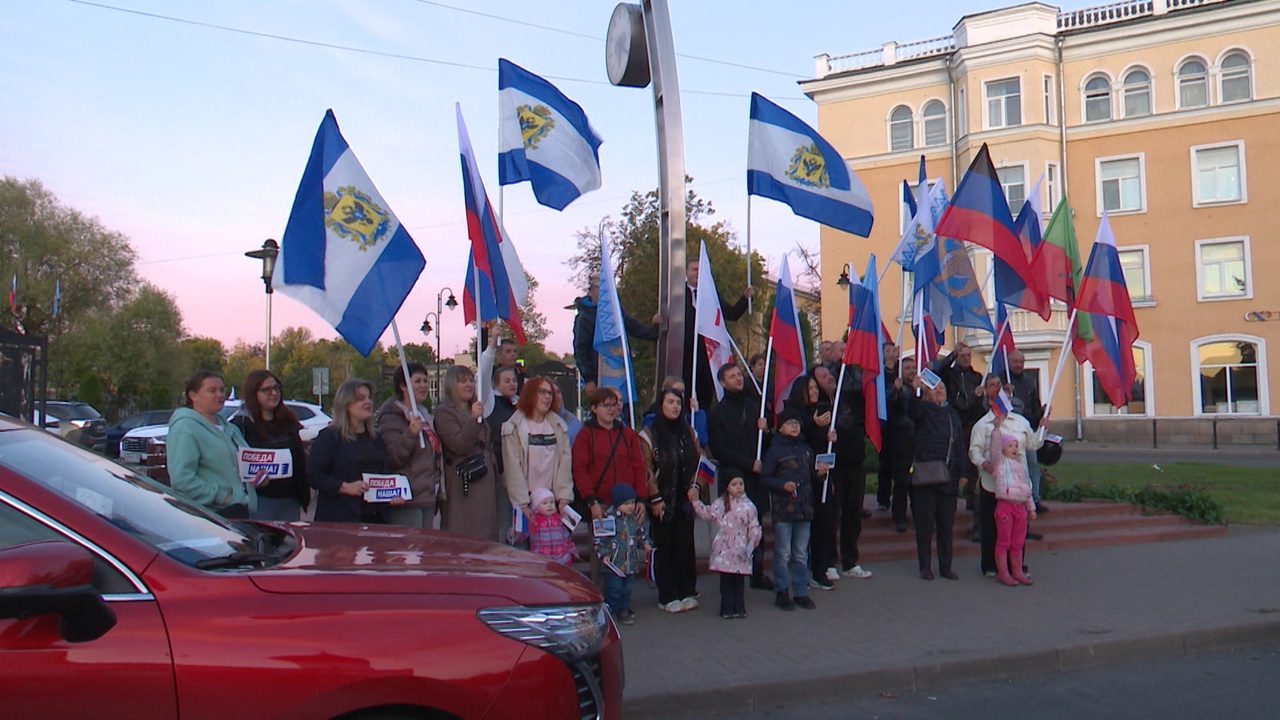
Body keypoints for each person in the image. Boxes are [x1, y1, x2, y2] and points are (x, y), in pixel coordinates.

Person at [969, 374, 1043, 578]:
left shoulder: (1019, 421)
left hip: (1017, 485)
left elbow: (1033, 444)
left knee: (1018, 528)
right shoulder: (983, 424)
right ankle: (992, 564)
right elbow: (974, 450)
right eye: (992, 386)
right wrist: (984, 464)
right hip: (993, 484)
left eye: (999, 385)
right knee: (993, 527)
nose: (997, 389)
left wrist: (1043, 426)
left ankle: (1016, 565)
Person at [707, 363, 772, 589]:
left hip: (756, 479)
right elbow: (719, 449)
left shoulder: (756, 407)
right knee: (733, 528)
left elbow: (767, 444)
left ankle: (757, 572)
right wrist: (748, 463)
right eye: (732, 376)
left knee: (755, 524)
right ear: (723, 383)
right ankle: (733, 574)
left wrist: (766, 430)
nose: (738, 379)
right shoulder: (717, 413)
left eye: (738, 375)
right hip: (734, 478)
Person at [640, 388, 702, 613]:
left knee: (685, 546)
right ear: (660, 405)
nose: (675, 406)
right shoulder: (649, 434)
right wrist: (654, 499)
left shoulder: (689, 432)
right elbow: (645, 470)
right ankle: (666, 595)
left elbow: (701, 463)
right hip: (662, 500)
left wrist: (697, 486)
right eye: (670, 402)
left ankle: (686, 591)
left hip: (685, 501)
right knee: (665, 546)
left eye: (678, 402)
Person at [762, 407, 826, 611]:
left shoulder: (806, 449)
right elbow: (765, 478)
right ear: (780, 428)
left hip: (804, 509)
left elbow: (812, 478)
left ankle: (800, 591)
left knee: (800, 553)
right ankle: (781, 591)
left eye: (797, 423)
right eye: (790, 423)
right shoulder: (774, 451)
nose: (795, 426)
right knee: (783, 553)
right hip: (784, 510)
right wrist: (782, 485)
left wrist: (821, 474)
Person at [168, 370, 252, 519]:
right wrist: (223, 497)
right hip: (211, 516)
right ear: (193, 396)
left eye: (221, 390)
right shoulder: (185, 428)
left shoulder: (229, 428)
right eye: (212, 391)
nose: (220, 395)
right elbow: (182, 479)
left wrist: (256, 478)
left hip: (241, 512)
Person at [231, 370, 309, 522]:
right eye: (267, 390)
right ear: (253, 393)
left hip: (290, 499)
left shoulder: (288, 421)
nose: (274, 393)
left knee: (289, 543)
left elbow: (298, 459)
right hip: (260, 501)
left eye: (276, 388)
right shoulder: (241, 425)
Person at [783, 369, 836, 590]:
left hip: (821, 475)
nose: (814, 391)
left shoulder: (821, 412)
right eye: (810, 388)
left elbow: (826, 447)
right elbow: (794, 440)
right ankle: (798, 574)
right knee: (801, 530)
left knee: (824, 525)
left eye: (816, 388)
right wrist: (813, 425)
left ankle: (820, 569)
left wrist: (832, 436)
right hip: (800, 479)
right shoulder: (792, 414)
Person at [435, 365, 501, 542]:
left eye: (471, 380)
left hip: (485, 480)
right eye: (462, 381)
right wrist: (473, 421)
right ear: (451, 385)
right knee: (466, 536)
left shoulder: (474, 408)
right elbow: (458, 445)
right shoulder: (444, 413)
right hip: (463, 485)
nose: (469, 385)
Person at [309, 378, 389, 523]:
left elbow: (384, 474)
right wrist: (344, 487)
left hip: (375, 518)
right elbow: (313, 475)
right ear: (346, 404)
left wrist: (392, 495)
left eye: (369, 397)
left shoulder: (375, 437)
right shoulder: (330, 437)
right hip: (340, 518)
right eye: (361, 398)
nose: (368, 402)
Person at [907, 377, 963, 580]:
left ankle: (945, 566)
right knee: (924, 525)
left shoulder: (952, 414)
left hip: (949, 476)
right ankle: (925, 566)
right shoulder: (923, 409)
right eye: (934, 388)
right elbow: (912, 412)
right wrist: (916, 392)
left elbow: (959, 443)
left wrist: (962, 472)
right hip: (926, 475)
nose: (939, 391)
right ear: (928, 393)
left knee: (946, 526)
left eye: (942, 388)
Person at [688, 467, 762, 619]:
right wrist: (695, 501)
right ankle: (727, 606)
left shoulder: (749, 506)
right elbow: (707, 513)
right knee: (726, 581)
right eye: (734, 484)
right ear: (727, 487)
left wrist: (755, 537)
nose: (738, 487)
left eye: (741, 484)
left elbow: (754, 525)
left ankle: (739, 606)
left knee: (739, 581)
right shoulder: (720, 504)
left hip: (741, 550)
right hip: (724, 549)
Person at [376, 362, 442, 529]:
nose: (424, 386)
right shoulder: (392, 417)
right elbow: (394, 457)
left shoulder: (423, 415)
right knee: (411, 550)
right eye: (417, 381)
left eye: (425, 381)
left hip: (427, 495)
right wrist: (410, 434)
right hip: (406, 498)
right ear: (403, 386)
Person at [682, 253, 752, 410]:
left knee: (704, 399)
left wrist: (745, 299)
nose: (698, 273)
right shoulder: (678, 294)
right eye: (694, 269)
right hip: (685, 356)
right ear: (686, 272)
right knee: (686, 399)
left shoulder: (711, 295)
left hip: (707, 356)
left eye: (701, 270)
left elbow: (731, 314)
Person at [502, 376, 574, 527]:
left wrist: (563, 498)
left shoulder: (558, 426)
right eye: (542, 392)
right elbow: (512, 467)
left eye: (550, 393)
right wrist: (522, 503)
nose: (547, 397)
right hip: (525, 501)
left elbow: (564, 464)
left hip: (551, 500)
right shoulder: (513, 427)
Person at [571, 276, 660, 396]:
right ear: (591, 291)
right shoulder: (584, 318)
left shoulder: (616, 311)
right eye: (600, 289)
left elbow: (635, 328)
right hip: (599, 377)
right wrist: (589, 379)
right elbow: (580, 349)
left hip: (620, 373)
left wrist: (656, 330)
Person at [573, 387, 648, 518]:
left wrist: (641, 497)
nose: (611, 409)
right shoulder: (585, 435)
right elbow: (580, 470)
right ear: (594, 408)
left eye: (614, 404)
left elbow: (639, 467)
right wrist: (591, 501)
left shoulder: (629, 434)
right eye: (606, 405)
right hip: (600, 503)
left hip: (627, 503)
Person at [829, 363, 874, 580]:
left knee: (852, 514)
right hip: (832, 466)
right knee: (830, 514)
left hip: (855, 463)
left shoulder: (856, 398)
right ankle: (828, 561)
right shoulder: (821, 402)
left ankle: (850, 561)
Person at [940, 341, 986, 540]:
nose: (966, 359)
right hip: (955, 419)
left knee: (973, 461)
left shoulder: (976, 377)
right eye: (963, 356)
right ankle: (950, 496)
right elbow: (938, 372)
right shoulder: (950, 375)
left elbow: (978, 405)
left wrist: (978, 397)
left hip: (972, 421)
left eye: (968, 356)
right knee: (955, 460)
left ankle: (971, 496)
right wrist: (952, 354)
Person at [595, 484, 650, 625]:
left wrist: (646, 543)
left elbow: (640, 533)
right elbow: (601, 539)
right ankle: (611, 610)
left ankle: (624, 609)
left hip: (630, 562)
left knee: (628, 588)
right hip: (614, 563)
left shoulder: (632, 519)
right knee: (614, 589)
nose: (630, 506)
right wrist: (604, 554)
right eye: (626, 503)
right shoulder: (609, 518)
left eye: (632, 502)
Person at [989, 424, 1037, 586]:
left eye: (1016, 446)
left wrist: (1031, 508)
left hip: (1020, 507)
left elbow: (1027, 487)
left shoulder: (1020, 466)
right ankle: (1003, 572)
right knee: (1004, 541)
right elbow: (995, 449)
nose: (1014, 449)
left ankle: (1017, 571)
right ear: (1003, 449)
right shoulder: (1000, 464)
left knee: (1018, 542)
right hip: (1005, 506)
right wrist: (996, 431)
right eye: (1010, 446)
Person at [1006, 349, 1048, 513]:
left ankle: (1035, 499)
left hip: (1027, 427)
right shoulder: (1002, 380)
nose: (1018, 365)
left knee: (1032, 464)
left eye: (1021, 362)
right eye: (1015, 362)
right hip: (1008, 428)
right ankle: (1011, 496)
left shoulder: (1030, 382)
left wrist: (1041, 415)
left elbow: (1035, 405)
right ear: (1009, 362)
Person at [882, 355, 918, 533]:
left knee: (919, 482)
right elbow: (888, 404)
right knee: (902, 482)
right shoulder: (896, 389)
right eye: (908, 368)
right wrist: (896, 391)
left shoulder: (921, 388)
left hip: (919, 440)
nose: (911, 371)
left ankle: (920, 514)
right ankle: (899, 517)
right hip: (902, 440)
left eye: (913, 368)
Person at [514, 487, 575, 566]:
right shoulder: (534, 521)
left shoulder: (559, 520)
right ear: (536, 507)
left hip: (562, 559)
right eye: (545, 503)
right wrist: (515, 534)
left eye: (552, 502)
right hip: (541, 560)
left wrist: (573, 551)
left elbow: (566, 538)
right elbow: (524, 534)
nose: (549, 505)